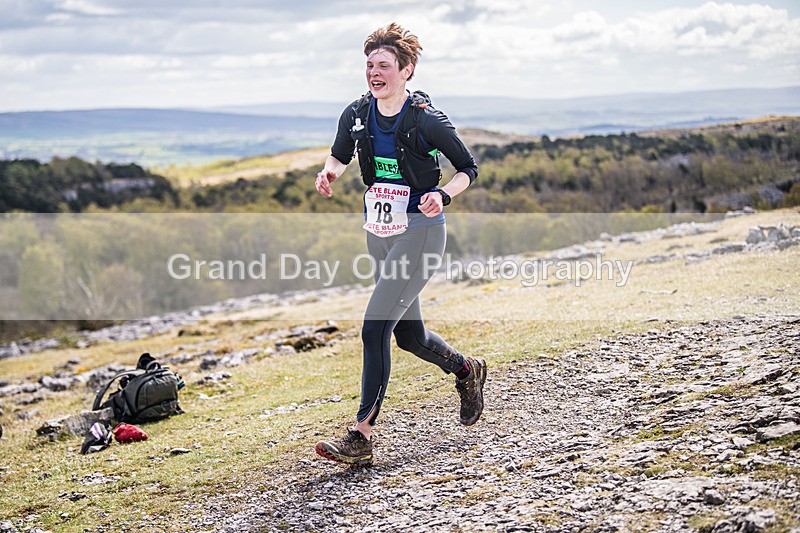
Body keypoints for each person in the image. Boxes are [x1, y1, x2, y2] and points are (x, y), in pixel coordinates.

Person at [313, 22, 486, 466]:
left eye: (384, 65)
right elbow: (341, 153)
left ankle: (361, 435)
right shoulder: (355, 113)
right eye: (369, 65)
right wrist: (329, 172)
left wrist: (443, 193)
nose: (374, 72)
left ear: (406, 70)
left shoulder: (426, 119)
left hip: (420, 231)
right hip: (379, 231)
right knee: (409, 336)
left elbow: (468, 167)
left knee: (375, 327)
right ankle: (467, 371)